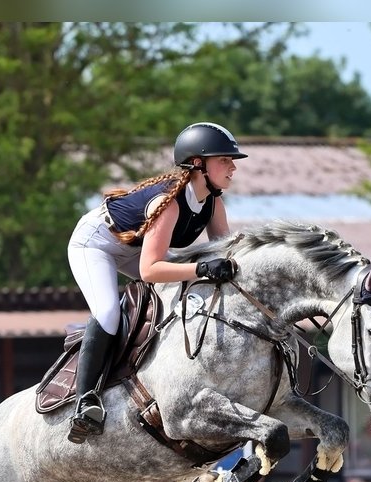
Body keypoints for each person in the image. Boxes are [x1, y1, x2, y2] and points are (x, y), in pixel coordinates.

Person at [66, 122, 248, 443]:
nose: (233, 167)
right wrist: (202, 268)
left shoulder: (213, 202)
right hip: (95, 243)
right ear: (197, 164)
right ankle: (86, 401)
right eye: (224, 160)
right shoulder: (170, 203)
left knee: (187, 296)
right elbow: (151, 270)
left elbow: (226, 255)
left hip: (133, 246)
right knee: (108, 312)